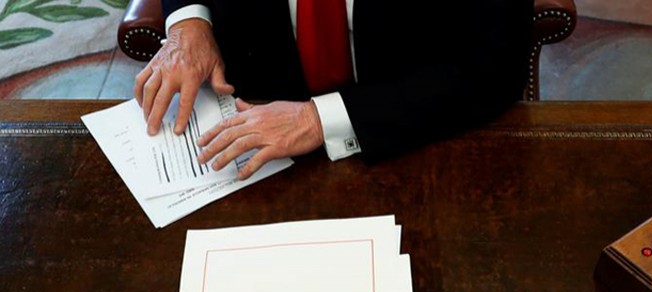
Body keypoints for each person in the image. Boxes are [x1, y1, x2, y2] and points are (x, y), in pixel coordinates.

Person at [135, 0, 533, 178]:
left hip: (409, 130)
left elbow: (494, 66)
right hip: (252, 125)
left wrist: (319, 119)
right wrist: (189, 22)